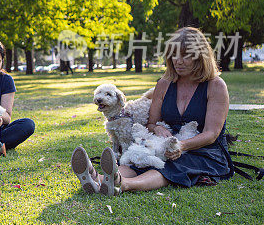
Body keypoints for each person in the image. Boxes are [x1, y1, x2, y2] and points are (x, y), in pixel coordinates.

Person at [71, 27, 233, 195]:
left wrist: (181, 146)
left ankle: (122, 184)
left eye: (185, 56)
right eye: (174, 55)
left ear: (200, 57)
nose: (178, 61)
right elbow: (151, 123)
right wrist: (156, 128)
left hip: (203, 151)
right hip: (161, 145)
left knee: (172, 165)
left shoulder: (216, 86)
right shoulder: (164, 84)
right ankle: (95, 178)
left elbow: (211, 134)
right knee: (139, 159)